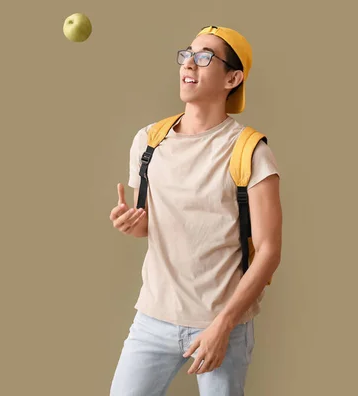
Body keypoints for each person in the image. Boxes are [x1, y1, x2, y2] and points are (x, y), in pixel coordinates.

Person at [108, 26, 283, 396]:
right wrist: (132, 224)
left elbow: (268, 251)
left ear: (232, 79)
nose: (189, 62)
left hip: (222, 324)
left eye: (205, 57)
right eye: (188, 53)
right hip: (153, 317)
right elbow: (148, 226)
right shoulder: (149, 141)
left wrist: (224, 325)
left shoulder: (250, 151)